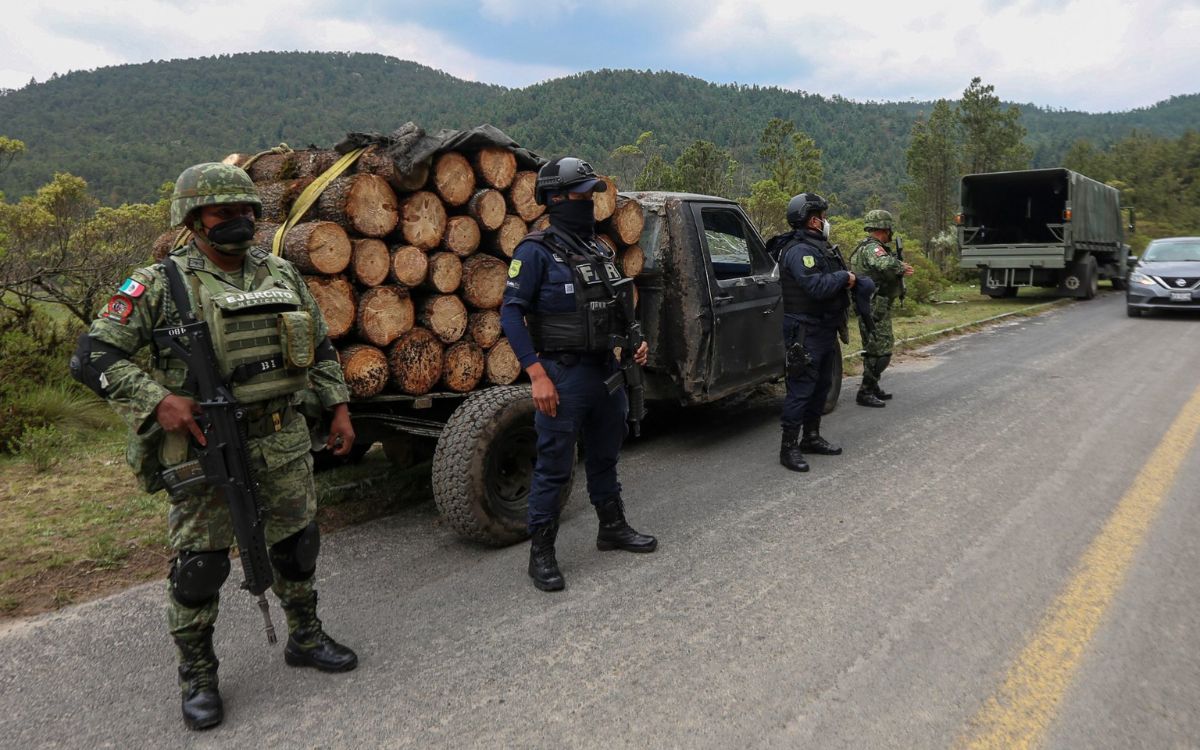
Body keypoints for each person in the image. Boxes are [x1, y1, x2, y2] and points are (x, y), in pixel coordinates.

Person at [69, 163, 358, 730]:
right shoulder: (158, 283)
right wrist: (158, 400)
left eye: (247, 211)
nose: (240, 221)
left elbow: (320, 344)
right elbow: (94, 355)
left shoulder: (280, 271)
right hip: (206, 448)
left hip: (282, 439)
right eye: (225, 213)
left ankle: (305, 635)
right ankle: (198, 675)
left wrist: (339, 406)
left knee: (297, 547)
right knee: (199, 568)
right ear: (194, 218)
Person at [500, 157, 656, 592]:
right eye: (581, 195)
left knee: (606, 455)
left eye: (592, 195)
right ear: (555, 199)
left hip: (606, 371)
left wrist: (633, 343)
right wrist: (536, 374)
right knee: (554, 467)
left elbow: (616, 306)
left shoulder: (599, 250)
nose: (589, 203)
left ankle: (612, 527)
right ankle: (542, 554)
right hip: (562, 374)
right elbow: (511, 315)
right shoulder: (534, 252)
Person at [767, 192, 854, 473]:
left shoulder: (819, 248)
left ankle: (812, 437)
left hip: (824, 328)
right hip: (804, 331)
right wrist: (844, 277)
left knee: (820, 387)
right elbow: (815, 287)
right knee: (801, 389)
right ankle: (788, 448)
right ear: (814, 220)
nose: (826, 222)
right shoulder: (799, 251)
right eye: (824, 217)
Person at [849, 209, 913, 407]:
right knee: (881, 351)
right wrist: (901, 266)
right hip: (874, 308)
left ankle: (873, 386)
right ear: (884, 228)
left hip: (874, 306)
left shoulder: (867, 247)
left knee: (875, 348)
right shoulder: (872, 249)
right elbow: (884, 264)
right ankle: (865, 391)